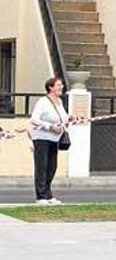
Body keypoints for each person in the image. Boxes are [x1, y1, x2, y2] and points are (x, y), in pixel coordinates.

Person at [29, 76, 69, 205]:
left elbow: (62, 117)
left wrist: (71, 118)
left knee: (52, 167)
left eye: (61, 85)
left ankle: (48, 194)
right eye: (58, 85)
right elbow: (34, 119)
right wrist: (50, 126)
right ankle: (41, 196)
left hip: (54, 139)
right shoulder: (43, 102)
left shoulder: (60, 101)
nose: (61, 87)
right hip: (41, 138)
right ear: (51, 87)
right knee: (42, 166)